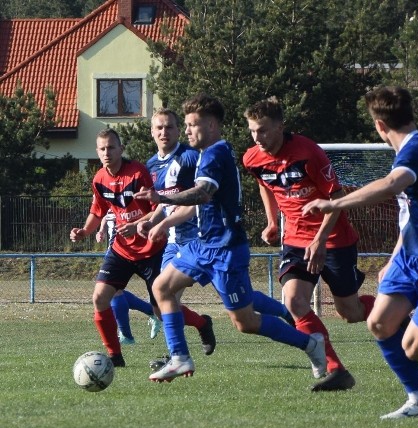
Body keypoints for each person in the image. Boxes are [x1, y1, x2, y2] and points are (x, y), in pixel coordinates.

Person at [302, 86, 418, 419]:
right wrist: (395, 257)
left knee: (415, 346)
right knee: (380, 323)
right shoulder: (411, 151)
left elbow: (391, 184)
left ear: (380, 126)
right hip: (411, 257)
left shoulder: (417, 151)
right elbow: (410, 212)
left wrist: (335, 202)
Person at [134, 94, 326, 386]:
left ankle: (310, 344)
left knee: (245, 323)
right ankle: (179, 356)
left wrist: (161, 197)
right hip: (203, 245)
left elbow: (202, 193)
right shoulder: (204, 154)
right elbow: (196, 200)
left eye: (191, 125)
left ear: (211, 126)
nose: (186, 131)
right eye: (185, 125)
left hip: (225, 249)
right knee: (161, 287)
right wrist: (159, 216)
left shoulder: (215, 153)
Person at [242, 97, 375, 391]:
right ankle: (335, 369)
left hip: (334, 239)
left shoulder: (308, 152)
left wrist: (321, 239)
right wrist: (273, 222)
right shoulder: (252, 158)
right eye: (252, 131)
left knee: (350, 313)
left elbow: (337, 198)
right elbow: (265, 184)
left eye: (263, 130)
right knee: (294, 301)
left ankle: (395, 312)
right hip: (295, 241)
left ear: (280, 126)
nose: (257, 138)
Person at [69, 129, 163, 367]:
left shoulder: (138, 172)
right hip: (122, 249)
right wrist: (84, 231)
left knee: (163, 310)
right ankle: (115, 356)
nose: (107, 152)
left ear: (121, 149)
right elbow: (97, 211)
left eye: (111, 147)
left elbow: (158, 208)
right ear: (97, 153)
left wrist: (137, 224)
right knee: (100, 297)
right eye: (102, 148)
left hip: (152, 248)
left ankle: (201, 324)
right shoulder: (99, 178)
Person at [96, 210, 162, 343]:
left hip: (133, 244)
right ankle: (128, 335)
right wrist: (101, 229)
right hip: (116, 244)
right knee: (111, 291)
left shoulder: (130, 192)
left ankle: (200, 323)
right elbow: (107, 214)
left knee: (163, 298)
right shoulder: (101, 191)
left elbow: (154, 209)